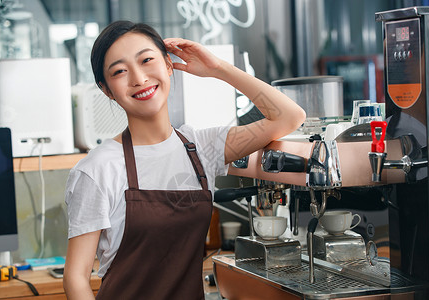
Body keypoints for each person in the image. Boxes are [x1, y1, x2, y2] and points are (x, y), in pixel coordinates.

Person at [63, 20, 305, 300]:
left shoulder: (202, 147)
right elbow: (76, 279)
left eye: (147, 60)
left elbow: (289, 116)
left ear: (169, 64)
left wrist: (218, 69)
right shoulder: (97, 170)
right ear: (107, 90)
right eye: (120, 71)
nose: (139, 78)